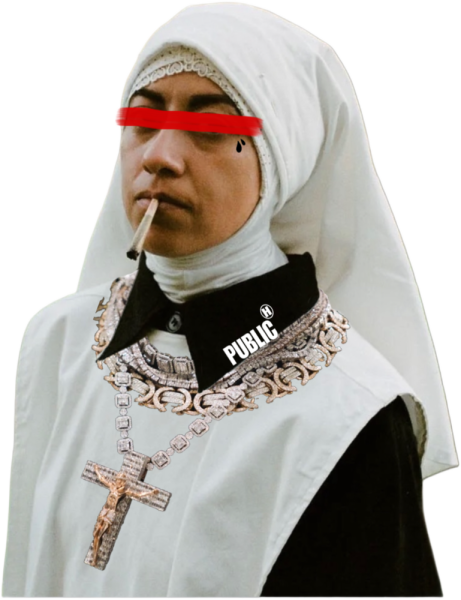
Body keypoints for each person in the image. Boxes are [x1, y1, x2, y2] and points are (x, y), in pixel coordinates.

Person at [2, 2, 457, 597]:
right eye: (144, 118)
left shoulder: (348, 416)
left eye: (211, 127)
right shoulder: (57, 343)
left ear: (283, 156)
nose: (159, 156)